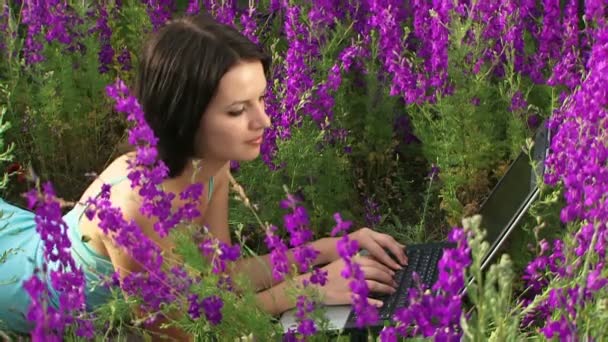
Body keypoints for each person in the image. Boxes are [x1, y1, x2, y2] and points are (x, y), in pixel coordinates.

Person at [0, 12, 407, 340]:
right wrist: (303, 291)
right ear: (186, 117)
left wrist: (329, 248)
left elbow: (220, 279)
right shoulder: (134, 207)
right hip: (14, 280)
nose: (264, 120)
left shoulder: (210, 163)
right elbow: (176, 329)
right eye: (236, 110)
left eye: (262, 98)